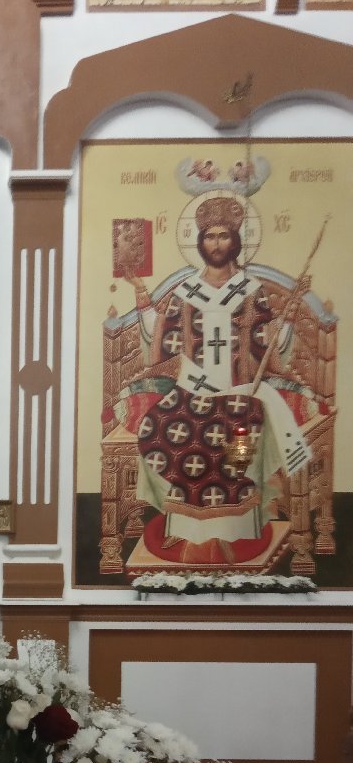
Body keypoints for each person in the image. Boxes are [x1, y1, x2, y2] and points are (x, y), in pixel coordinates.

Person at [119, 193, 312, 565]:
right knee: (160, 429)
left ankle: (234, 531)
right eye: (210, 236)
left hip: (239, 391)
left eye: (224, 236)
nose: (217, 243)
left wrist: (287, 317)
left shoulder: (251, 291)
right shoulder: (186, 292)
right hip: (192, 390)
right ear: (201, 242)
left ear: (235, 240)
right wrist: (141, 292)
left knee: (238, 435)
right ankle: (186, 526)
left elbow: (271, 350)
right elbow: (158, 339)